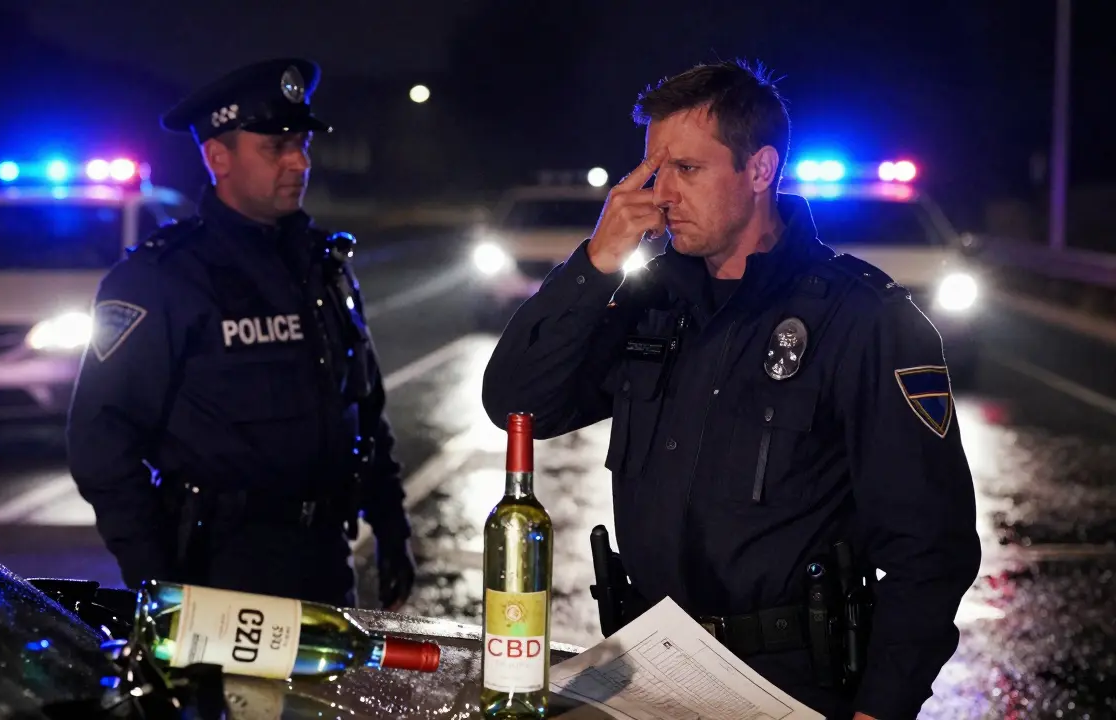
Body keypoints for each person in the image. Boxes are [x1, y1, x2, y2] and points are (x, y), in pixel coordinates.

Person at [481, 59, 980, 719]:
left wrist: (881, 707)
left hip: (786, 682)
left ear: (760, 170)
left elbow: (931, 547)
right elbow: (519, 404)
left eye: (687, 170)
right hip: (645, 666)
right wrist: (596, 263)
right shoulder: (650, 301)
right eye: (654, 173)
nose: (662, 195)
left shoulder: (861, 318)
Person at [66, 58, 415, 610]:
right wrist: (155, 581)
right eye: (276, 148)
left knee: (320, 701)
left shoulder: (323, 267)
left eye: (302, 143)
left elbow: (364, 409)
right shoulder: (163, 278)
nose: (299, 162)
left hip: (325, 561)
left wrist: (391, 523)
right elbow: (100, 442)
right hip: (218, 568)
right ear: (217, 157)